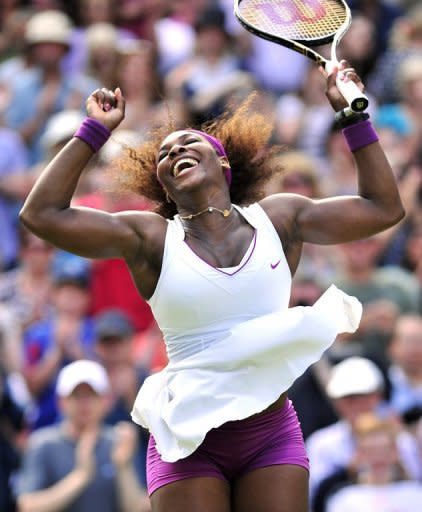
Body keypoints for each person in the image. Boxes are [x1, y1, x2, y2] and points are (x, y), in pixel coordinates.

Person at [19, 59, 405, 512]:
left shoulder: (281, 218)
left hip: (270, 432)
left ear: (221, 162)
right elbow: (40, 216)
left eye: (186, 143)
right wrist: (92, 133)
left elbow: (382, 208)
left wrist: (353, 116)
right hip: (186, 439)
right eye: (163, 154)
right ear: (163, 184)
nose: (172, 151)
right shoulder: (150, 237)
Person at [15, 359, 150, 512]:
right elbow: (27, 506)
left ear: (106, 400)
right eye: (76, 395)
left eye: (92, 395)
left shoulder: (120, 441)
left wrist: (123, 467)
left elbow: (138, 508)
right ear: (61, 402)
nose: (84, 403)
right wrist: (79, 477)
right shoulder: (42, 443)